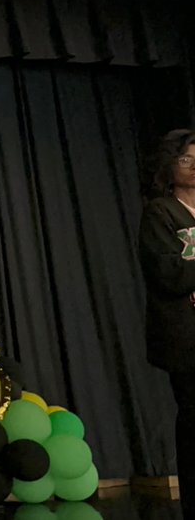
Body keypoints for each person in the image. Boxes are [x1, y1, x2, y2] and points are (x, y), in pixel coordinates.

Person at [138, 128, 195, 520]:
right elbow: (167, 272)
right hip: (184, 335)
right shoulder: (160, 212)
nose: (194, 167)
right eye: (186, 159)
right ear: (170, 167)